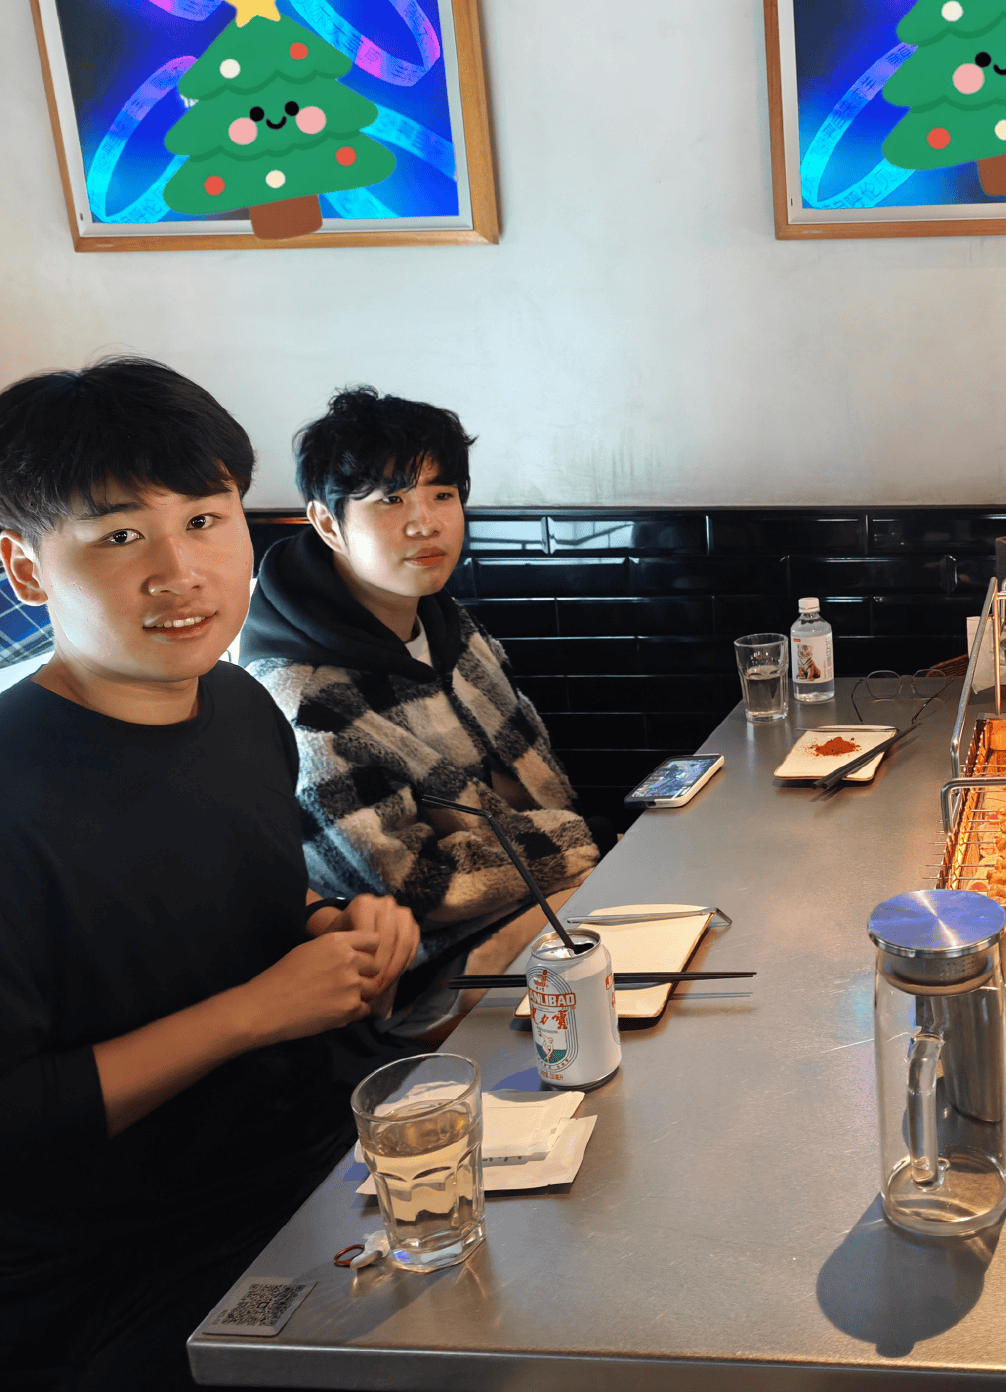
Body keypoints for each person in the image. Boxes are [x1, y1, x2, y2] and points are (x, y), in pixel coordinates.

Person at [0, 358, 420, 1390]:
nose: (178, 572)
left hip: (309, 1165)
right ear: (25, 569)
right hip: (121, 1268)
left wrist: (336, 932)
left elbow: (232, 901)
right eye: (118, 536)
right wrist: (256, 1012)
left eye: (203, 520)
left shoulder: (237, 709)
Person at [237, 388, 605, 1011]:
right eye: (391, 499)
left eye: (443, 494)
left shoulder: (446, 622)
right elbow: (412, 886)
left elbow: (536, 777)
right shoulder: (303, 697)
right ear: (326, 524)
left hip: (554, 898)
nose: (426, 522)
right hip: (435, 979)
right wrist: (583, 839)